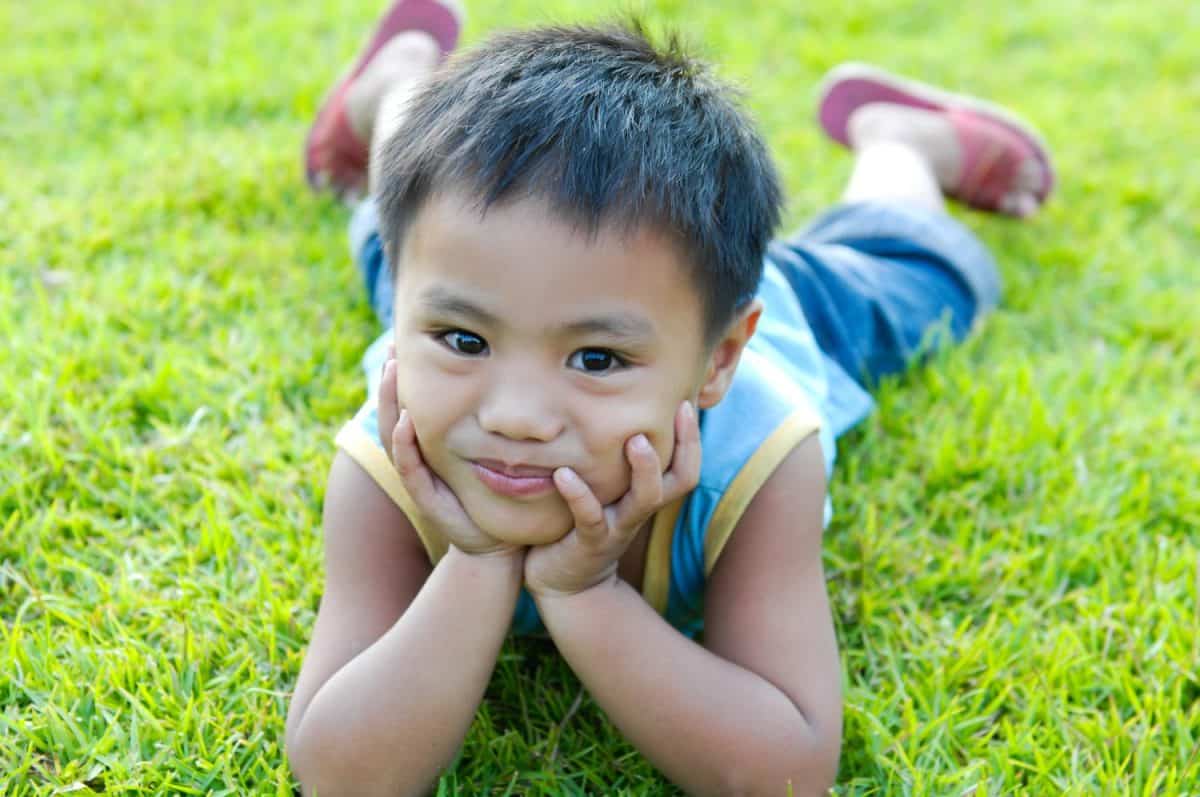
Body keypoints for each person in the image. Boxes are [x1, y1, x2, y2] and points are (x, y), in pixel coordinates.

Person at [284, 1, 1054, 794]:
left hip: (798, 311)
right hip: (505, 279)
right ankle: (397, 90)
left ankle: (900, 146)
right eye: (461, 339)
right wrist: (478, 561)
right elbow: (342, 775)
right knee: (402, 235)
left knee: (921, 273)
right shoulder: (390, 461)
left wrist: (584, 592)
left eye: (595, 358)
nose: (515, 415)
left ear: (718, 360)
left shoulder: (754, 458)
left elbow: (783, 773)